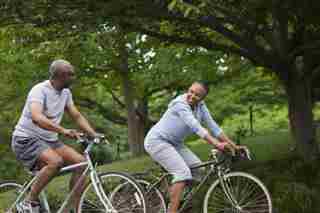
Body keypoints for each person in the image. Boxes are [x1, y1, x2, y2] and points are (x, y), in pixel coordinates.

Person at [144, 81, 245, 213]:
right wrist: (217, 144)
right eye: (190, 91)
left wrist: (234, 146)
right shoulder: (180, 104)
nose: (192, 96)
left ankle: (176, 198)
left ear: (202, 98)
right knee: (182, 173)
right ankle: (172, 209)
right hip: (157, 141)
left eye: (197, 95)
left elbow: (214, 127)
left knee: (199, 171)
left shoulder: (201, 106)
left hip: (175, 143)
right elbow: (196, 127)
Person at [12, 59, 98, 213]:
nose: (74, 77)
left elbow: (76, 116)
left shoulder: (65, 93)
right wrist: (63, 130)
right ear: (60, 76)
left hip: (49, 140)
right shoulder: (39, 90)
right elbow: (37, 117)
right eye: (70, 74)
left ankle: (74, 208)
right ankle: (28, 202)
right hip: (26, 139)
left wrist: (93, 134)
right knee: (55, 162)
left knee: (82, 164)